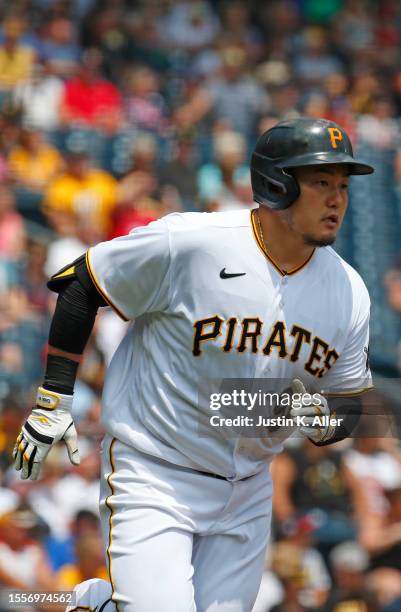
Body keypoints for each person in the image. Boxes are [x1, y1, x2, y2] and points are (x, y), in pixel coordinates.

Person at [12, 117, 374, 611]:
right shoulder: (195, 241)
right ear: (277, 184)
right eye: (321, 183)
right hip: (156, 469)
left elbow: (349, 404)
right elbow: (82, 285)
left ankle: (104, 605)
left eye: (343, 186)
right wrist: (54, 400)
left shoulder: (349, 292)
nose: (337, 199)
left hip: (247, 491)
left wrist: (324, 422)